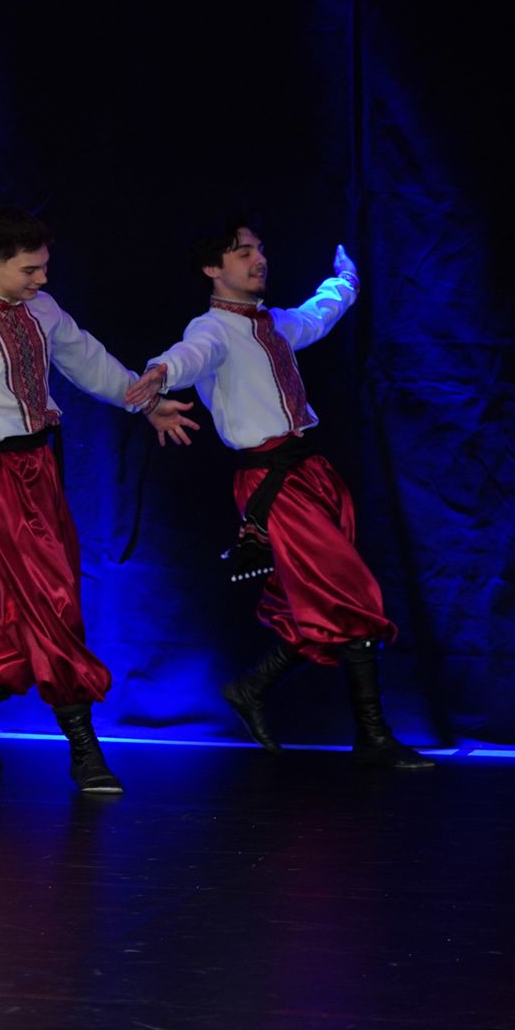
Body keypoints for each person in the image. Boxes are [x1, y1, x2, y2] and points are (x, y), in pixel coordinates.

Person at [127, 223, 431, 769]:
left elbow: (318, 314)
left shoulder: (274, 325)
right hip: (274, 483)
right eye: (243, 252)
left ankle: (252, 688)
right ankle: (372, 736)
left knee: (323, 600)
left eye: (261, 250)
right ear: (213, 269)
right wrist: (162, 371)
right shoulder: (213, 329)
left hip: (311, 472)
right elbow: (191, 353)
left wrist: (345, 280)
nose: (259, 259)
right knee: (353, 594)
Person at [0, 208, 199, 794]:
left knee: (41, 603)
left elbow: (90, 363)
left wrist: (145, 402)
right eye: (29, 270)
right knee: (49, 604)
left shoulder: (44, 310)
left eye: (44, 267)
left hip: (40, 471)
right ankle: (84, 750)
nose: (42, 279)